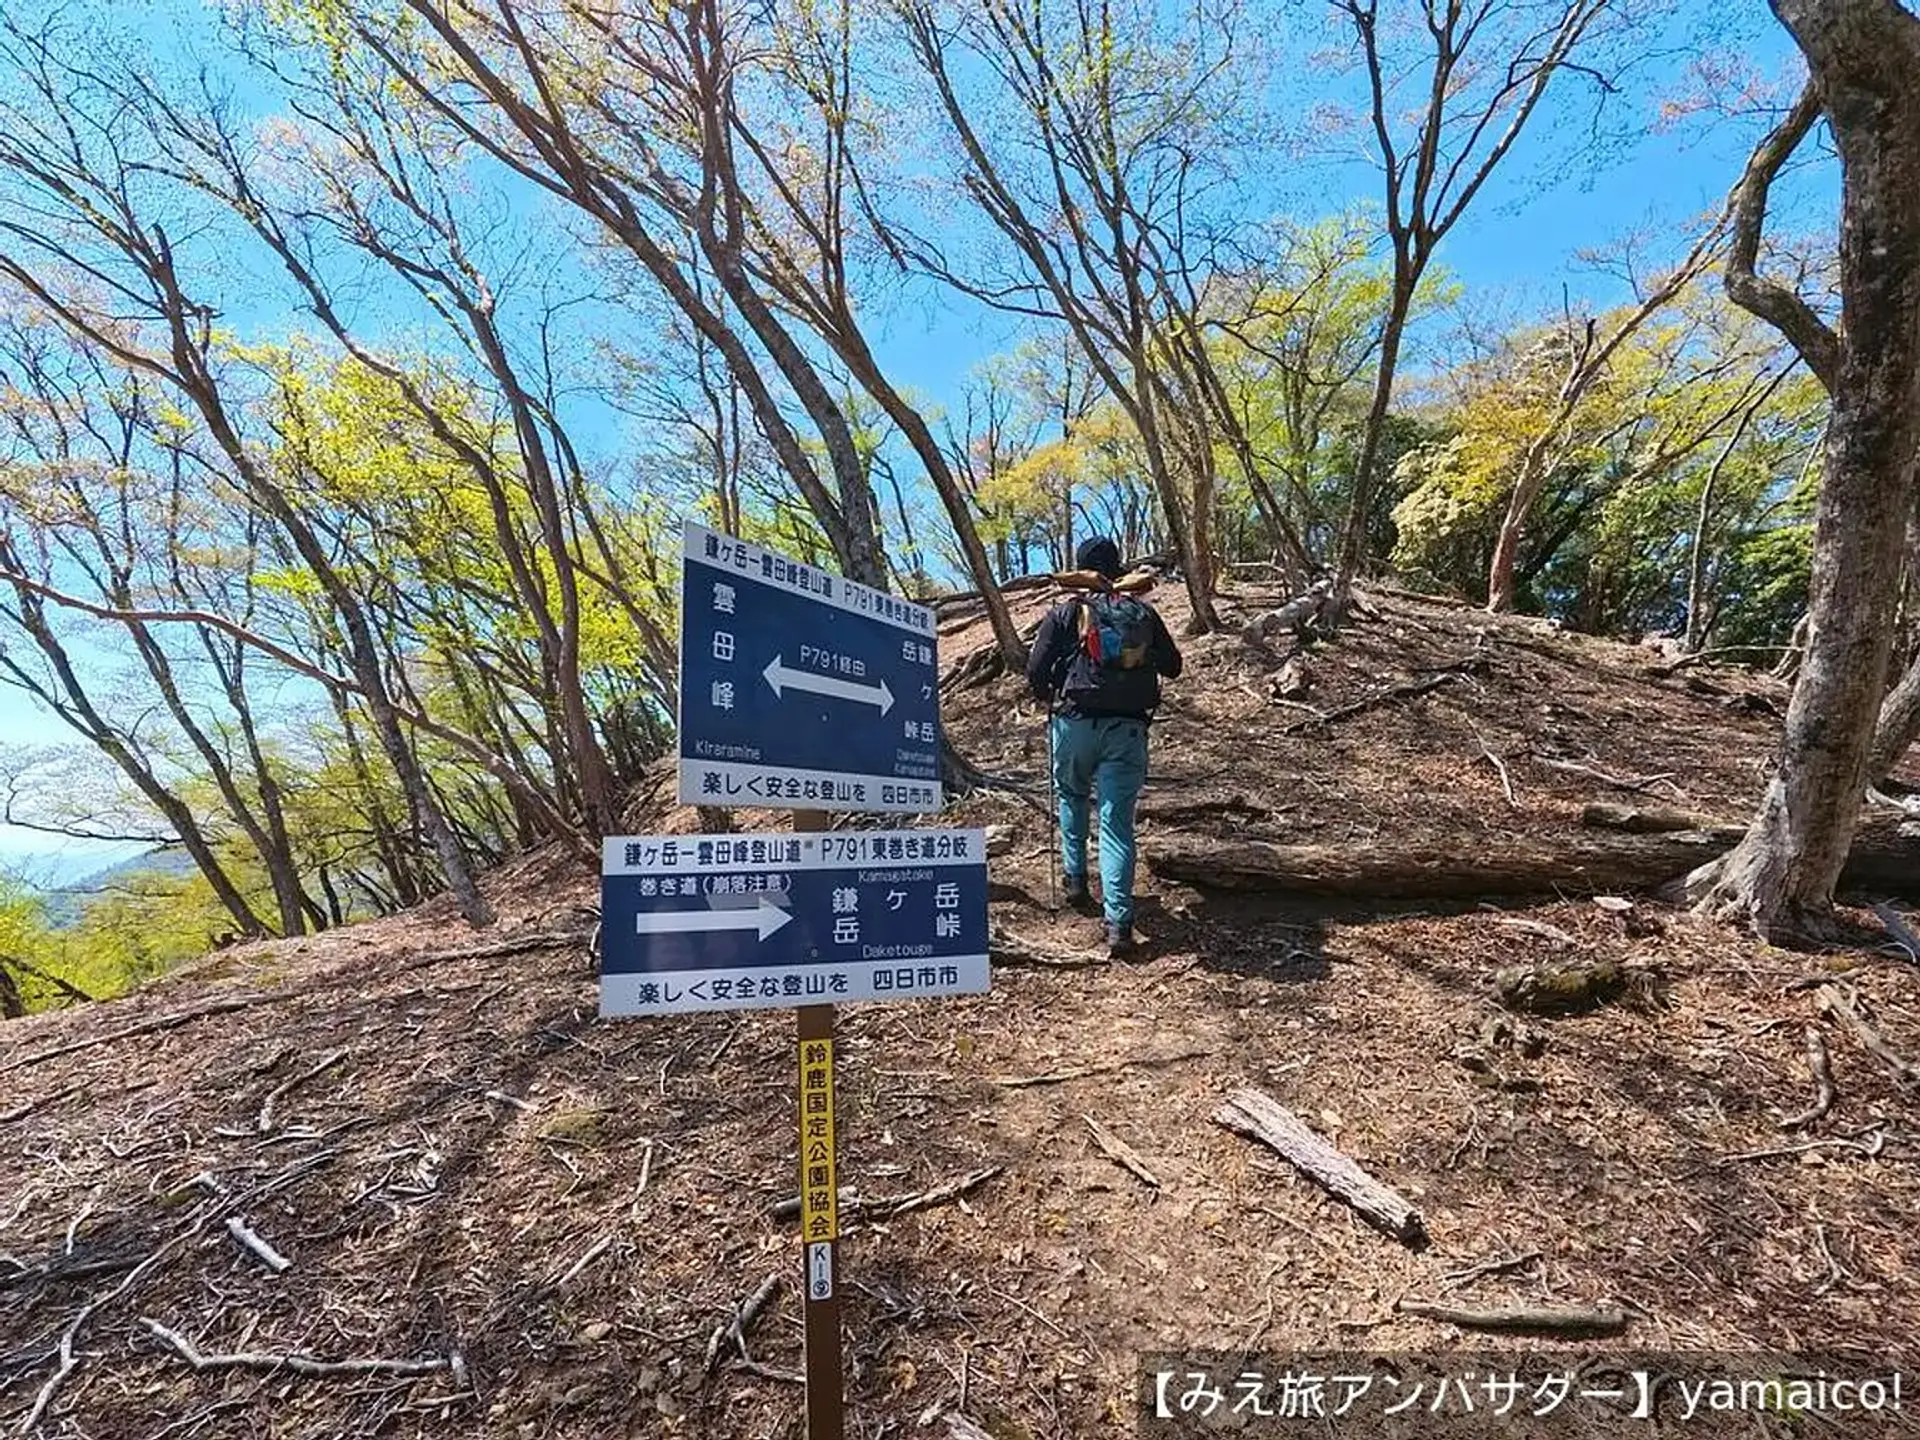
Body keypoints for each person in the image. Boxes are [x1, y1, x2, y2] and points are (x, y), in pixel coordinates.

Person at [1026, 536, 1183, 957]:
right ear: (1117, 568)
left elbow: (1035, 670)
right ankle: (1119, 924)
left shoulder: (1066, 612)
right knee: (1116, 824)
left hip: (1074, 724)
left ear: (1081, 568)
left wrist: (1050, 693)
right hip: (1128, 730)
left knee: (1072, 795)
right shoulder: (1141, 612)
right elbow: (1174, 666)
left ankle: (1075, 880)